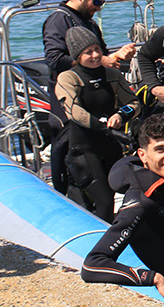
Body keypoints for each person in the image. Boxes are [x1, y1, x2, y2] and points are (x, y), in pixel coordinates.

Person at [81, 114, 164, 307]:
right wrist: (154, 278)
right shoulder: (141, 203)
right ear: (143, 155)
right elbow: (92, 265)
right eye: (160, 149)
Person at [42, 0, 135, 193]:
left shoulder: (90, 22)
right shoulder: (59, 20)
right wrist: (98, 59)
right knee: (71, 158)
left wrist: (118, 57)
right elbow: (54, 59)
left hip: (97, 99)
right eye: (97, 2)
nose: (99, 8)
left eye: (103, 3)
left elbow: (102, 55)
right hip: (70, 100)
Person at [55, 27, 139, 222]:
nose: (95, 55)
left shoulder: (112, 75)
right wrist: (105, 128)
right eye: (88, 52)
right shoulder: (68, 78)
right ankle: (101, 246)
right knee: (104, 203)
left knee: (125, 195)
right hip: (84, 150)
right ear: (77, 55)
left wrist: (120, 115)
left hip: (110, 147)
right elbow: (75, 112)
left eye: (97, 49)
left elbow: (134, 103)